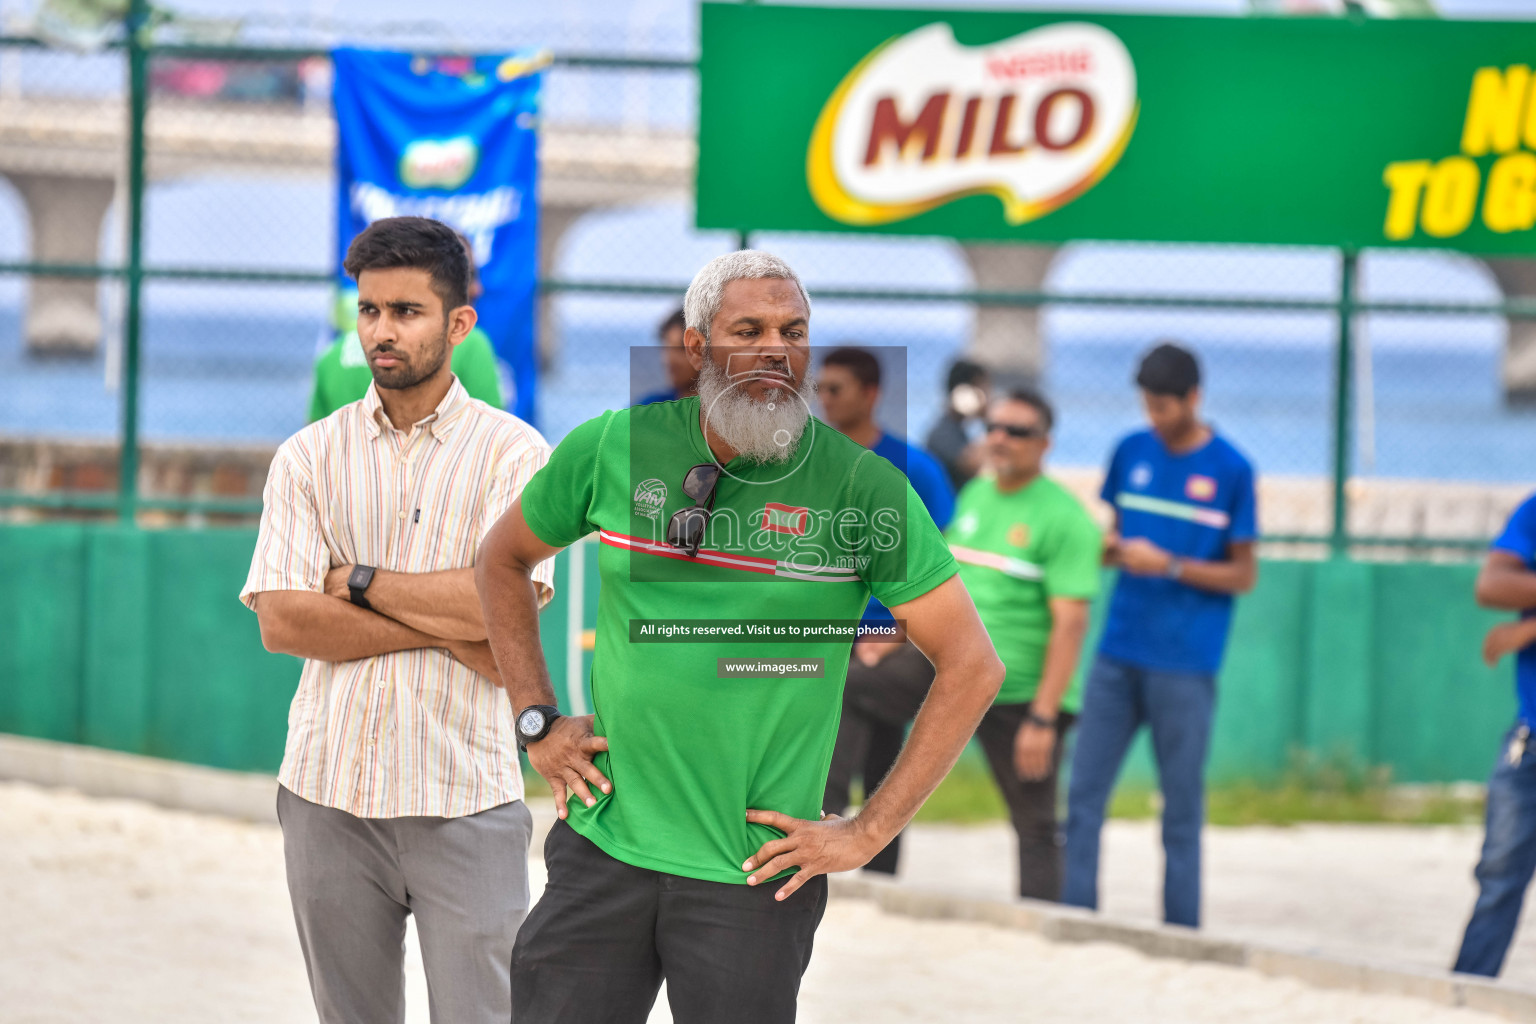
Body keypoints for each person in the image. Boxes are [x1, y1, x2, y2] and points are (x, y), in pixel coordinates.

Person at [476, 249, 1004, 1024]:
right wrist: (537, 721)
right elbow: (502, 559)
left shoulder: (862, 488)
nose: (774, 350)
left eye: (793, 331)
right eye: (748, 329)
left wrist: (867, 831)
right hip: (602, 847)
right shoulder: (612, 446)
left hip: (755, 876)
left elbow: (972, 665)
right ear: (697, 348)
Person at [240, 216, 553, 1023]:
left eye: (406, 312)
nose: (382, 330)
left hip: (468, 797)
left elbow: (506, 612)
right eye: (369, 309)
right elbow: (283, 622)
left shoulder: (516, 457)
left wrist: (358, 582)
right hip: (327, 794)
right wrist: (458, 623)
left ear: (458, 324)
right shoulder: (307, 457)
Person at [1062, 342, 1257, 929]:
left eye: (1167, 406)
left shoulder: (1233, 469)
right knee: (1082, 798)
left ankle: (1182, 933)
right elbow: (1115, 538)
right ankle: (1076, 923)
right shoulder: (1129, 451)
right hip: (1117, 652)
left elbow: (1244, 574)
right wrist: (1110, 552)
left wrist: (1168, 564)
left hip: (1186, 662)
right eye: (1149, 405)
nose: (1156, 417)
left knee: (1180, 813)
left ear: (1194, 398)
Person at [945, 391, 1101, 899]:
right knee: (862, 689)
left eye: (1016, 431)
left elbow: (1072, 624)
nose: (999, 439)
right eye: (992, 427)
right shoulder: (974, 497)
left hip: (1020, 692)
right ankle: (861, 875)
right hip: (951, 670)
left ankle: (1043, 928)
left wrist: (1043, 717)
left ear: (1045, 444)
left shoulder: (1065, 518)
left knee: (1034, 824)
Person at [818, 345, 956, 876]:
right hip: (826, 627)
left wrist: (894, 629)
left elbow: (941, 559)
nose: (824, 400)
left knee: (863, 708)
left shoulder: (914, 467)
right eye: (820, 389)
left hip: (899, 631)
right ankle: (861, 859)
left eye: (836, 389)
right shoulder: (805, 460)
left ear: (871, 394)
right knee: (866, 721)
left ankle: (841, 831)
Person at [1453, 493, 1536, 977]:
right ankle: (1465, 995)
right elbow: (1491, 585)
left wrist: (1525, 630)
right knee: (1498, 875)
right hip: (1530, 737)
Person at [309, 232, 504, 420]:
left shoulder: (331, 355)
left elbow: (315, 439)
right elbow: (492, 432)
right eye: (468, 275)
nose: (478, 288)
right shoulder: (471, 344)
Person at [924, 358, 990, 491]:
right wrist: (989, 418)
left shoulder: (957, 429)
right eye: (981, 390)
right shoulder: (942, 433)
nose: (986, 397)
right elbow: (976, 465)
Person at [635, 307, 700, 405]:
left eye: (680, 349)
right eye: (666, 348)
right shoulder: (651, 406)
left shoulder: (724, 409)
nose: (668, 359)